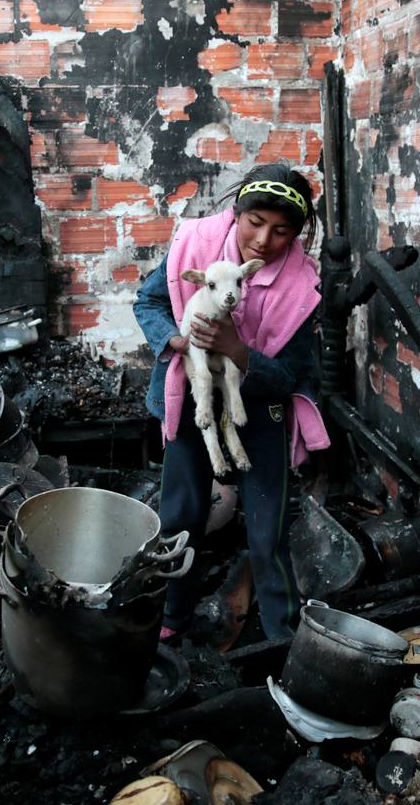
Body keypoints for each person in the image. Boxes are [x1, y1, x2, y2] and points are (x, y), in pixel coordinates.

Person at [133, 164, 331, 641]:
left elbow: (291, 376)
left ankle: (282, 636)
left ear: (298, 234)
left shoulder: (301, 288)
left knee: (268, 530)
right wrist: (179, 344)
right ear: (236, 212)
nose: (264, 239)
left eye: (282, 231)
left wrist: (240, 352)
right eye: (255, 222)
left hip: (260, 410)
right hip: (195, 400)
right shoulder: (194, 246)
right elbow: (149, 303)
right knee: (181, 514)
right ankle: (169, 620)